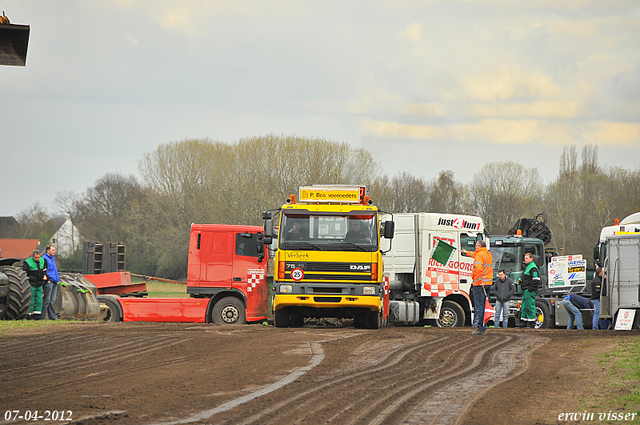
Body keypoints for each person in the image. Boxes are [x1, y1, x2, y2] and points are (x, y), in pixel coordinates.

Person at [461, 240, 493, 335]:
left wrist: (479, 281)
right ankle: (484, 326)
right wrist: (466, 252)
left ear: (479, 246)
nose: (475, 247)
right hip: (488, 283)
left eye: (476, 245)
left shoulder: (479, 255)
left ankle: (481, 328)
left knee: (479, 307)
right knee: (484, 305)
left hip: (479, 284)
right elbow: (474, 254)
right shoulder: (487, 254)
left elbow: (478, 269)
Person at [22, 249, 47, 320]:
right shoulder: (27, 262)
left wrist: (45, 276)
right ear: (33, 256)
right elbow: (25, 274)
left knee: (39, 300)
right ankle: (29, 315)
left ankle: (37, 315)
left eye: (38, 257)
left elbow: (44, 271)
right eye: (36, 258)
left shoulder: (43, 261)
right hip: (31, 284)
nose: (37, 259)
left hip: (39, 284)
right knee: (31, 300)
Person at [519, 253, 540, 328]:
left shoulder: (533, 268)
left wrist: (530, 289)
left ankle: (531, 323)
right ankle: (524, 322)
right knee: (524, 306)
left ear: (531, 259)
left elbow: (536, 280)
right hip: (525, 290)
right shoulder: (527, 267)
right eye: (525, 258)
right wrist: (521, 281)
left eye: (527, 258)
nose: (525, 260)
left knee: (530, 306)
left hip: (529, 291)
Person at [41, 245, 60, 320]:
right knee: (47, 301)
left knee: (52, 301)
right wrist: (47, 279)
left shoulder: (52, 259)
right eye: (52, 250)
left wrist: (58, 280)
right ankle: (42, 317)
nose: (54, 252)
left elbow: (55, 271)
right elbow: (44, 271)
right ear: (48, 251)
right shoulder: (44, 259)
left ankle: (52, 317)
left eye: (54, 250)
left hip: (55, 282)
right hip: (49, 282)